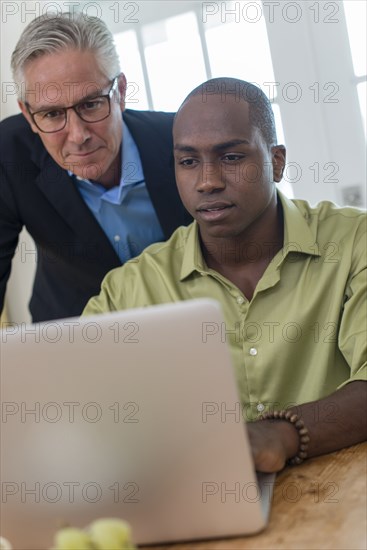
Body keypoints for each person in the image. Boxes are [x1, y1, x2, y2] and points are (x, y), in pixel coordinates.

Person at [84, 77, 366, 472]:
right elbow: (81, 411)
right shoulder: (128, 289)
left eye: (231, 157)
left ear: (277, 162)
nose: (208, 181)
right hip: (201, 507)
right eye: (188, 161)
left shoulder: (354, 243)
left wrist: (282, 435)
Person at [0, 12, 190, 322]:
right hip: (71, 331)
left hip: (185, 322)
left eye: (91, 104)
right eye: (51, 115)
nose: (78, 136)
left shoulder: (180, 141)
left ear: (121, 92)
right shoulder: (9, 155)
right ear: (27, 113)